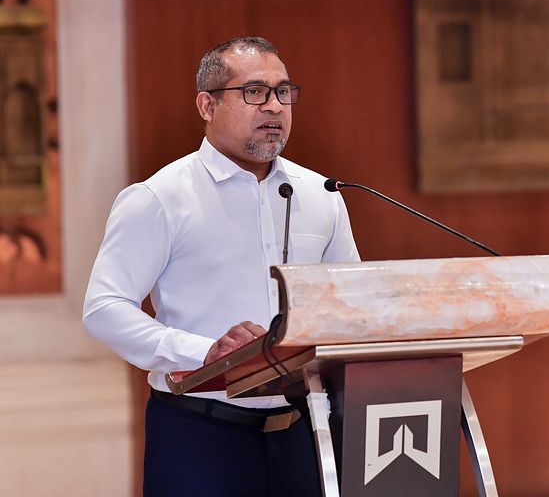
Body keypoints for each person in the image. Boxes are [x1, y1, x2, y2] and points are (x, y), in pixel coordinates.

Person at [83, 36, 359, 496]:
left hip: (304, 435)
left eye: (283, 91)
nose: (274, 106)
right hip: (200, 437)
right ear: (207, 105)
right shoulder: (159, 198)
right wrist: (204, 352)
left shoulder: (321, 195)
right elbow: (103, 309)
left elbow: (354, 305)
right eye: (254, 92)